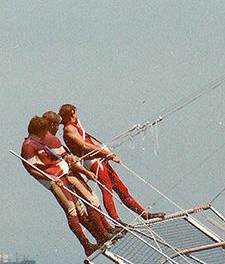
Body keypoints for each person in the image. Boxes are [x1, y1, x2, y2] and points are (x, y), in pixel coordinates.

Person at [59, 104, 164, 222]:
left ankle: (144, 214)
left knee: (121, 188)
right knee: (107, 189)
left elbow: (90, 142)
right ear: (72, 112)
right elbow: (83, 145)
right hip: (93, 161)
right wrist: (104, 153)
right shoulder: (69, 129)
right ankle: (116, 220)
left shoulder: (76, 127)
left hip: (99, 159)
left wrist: (106, 152)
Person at [20, 116, 107, 256]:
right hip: (54, 181)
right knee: (71, 210)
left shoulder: (39, 142)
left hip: (62, 175)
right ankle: (86, 245)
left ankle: (99, 237)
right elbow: (32, 169)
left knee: (80, 208)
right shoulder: (28, 146)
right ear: (40, 130)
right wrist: (51, 178)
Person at [41, 111, 117, 241]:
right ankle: (103, 233)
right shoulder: (50, 140)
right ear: (52, 125)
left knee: (84, 206)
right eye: (57, 126)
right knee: (89, 202)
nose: (58, 128)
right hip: (66, 175)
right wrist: (86, 171)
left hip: (67, 174)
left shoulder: (45, 139)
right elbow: (68, 160)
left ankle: (105, 231)